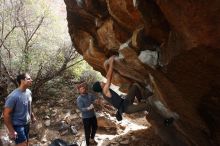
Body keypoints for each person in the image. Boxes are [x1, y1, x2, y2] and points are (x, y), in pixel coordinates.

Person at [92, 56, 153, 121]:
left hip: (126, 101)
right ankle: (162, 121)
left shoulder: (104, 90)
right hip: (127, 108)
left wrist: (107, 66)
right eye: (100, 83)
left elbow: (107, 76)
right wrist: (111, 62)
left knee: (135, 86)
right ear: (100, 87)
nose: (102, 82)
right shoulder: (105, 91)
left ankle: (141, 100)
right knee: (147, 106)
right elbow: (109, 77)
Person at [3, 73, 36, 146]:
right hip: (18, 125)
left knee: (26, 142)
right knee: (22, 144)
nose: (31, 80)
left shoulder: (29, 92)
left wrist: (32, 116)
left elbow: (29, 106)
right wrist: (11, 131)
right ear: (22, 81)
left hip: (27, 123)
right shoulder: (13, 96)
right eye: (29, 79)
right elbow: (6, 114)